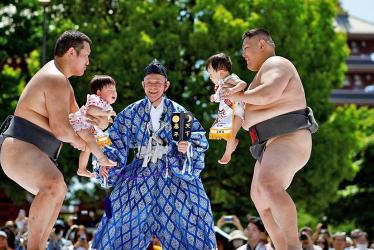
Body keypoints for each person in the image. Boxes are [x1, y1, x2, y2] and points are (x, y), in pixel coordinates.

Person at [0, 30, 107, 250]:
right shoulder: (54, 78)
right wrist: (85, 145)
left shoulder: (63, 83)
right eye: (86, 55)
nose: (88, 61)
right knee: (54, 183)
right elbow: (63, 130)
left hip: (30, 149)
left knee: (58, 188)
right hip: (20, 146)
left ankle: (38, 246)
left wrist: (103, 127)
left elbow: (83, 123)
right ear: (72, 52)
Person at [91, 59, 217, 249]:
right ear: (143, 84)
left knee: (191, 217)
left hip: (173, 176)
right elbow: (112, 140)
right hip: (139, 177)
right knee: (120, 219)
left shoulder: (179, 112)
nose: (153, 86)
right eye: (149, 82)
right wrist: (105, 160)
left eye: (158, 82)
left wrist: (186, 148)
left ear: (166, 85)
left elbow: (198, 140)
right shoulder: (130, 113)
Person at [220, 28, 318, 250]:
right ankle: (282, 247)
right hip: (266, 145)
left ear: (262, 44)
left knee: (269, 184)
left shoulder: (277, 64)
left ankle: (293, 247)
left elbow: (269, 94)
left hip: (288, 135)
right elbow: (244, 116)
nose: (243, 54)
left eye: (246, 48)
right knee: (260, 199)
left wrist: (240, 96)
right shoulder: (256, 79)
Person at [69, 75, 118, 177]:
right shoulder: (95, 98)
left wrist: (107, 118)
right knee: (91, 140)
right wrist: (105, 113)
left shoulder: (107, 106)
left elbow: (102, 122)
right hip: (81, 123)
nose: (114, 92)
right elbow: (91, 110)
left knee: (88, 148)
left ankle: (81, 169)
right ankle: (102, 159)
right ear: (99, 92)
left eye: (115, 90)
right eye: (110, 89)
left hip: (88, 127)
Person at [206, 53, 247, 164]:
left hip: (237, 111)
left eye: (211, 74)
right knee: (219, 132)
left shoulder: (231, 78)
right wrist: (214, 97)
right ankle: (232, 143)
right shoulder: (220, 85)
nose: (210, 77)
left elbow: (242, 84)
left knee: (230, 134)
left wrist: (232, 90)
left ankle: (227, 153)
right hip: (226, 112)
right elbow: (220, 97)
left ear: (221, 72)